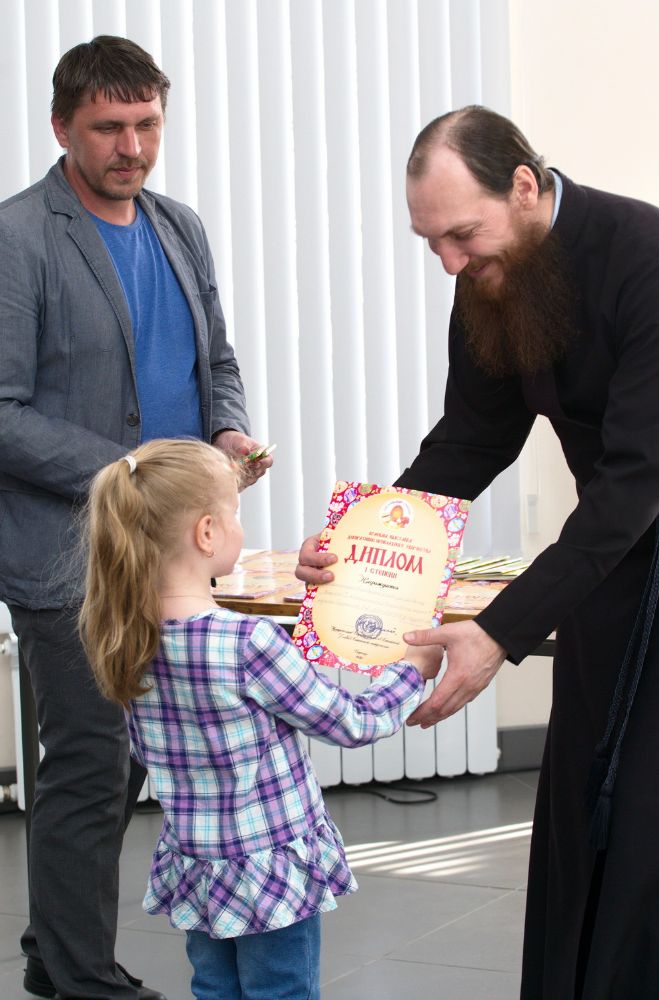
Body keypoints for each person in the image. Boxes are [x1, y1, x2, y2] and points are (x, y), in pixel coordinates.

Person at [297, 105, 659, 999]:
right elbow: (470, 439)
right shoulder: (492, 277)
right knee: (581, 800)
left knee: (645, 817)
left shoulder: (648, 259)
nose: (450, 263)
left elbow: (633, 479)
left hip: (632, 530)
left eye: (461, 235)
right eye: (432, 243)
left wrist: (497, 631)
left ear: (524, 186)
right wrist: (363, 553)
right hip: (608, 559)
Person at [0, 36, 273, 1000]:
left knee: (134, 762)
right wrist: (134, 473)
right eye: (109, 127)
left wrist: (227, 431)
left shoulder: (178, 226)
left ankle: (52, 951)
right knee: (91, 762)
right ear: (61, 127)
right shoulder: (18, 237)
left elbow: (216, 359)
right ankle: (80, 977)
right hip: (68, 556)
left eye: (147, 124)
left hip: (170, 558)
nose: (132, 147)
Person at [78, 438, 441, 1000]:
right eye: (235, 512)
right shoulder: (249, 641)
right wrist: (412, 672)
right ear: (206, 533)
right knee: (281, 989)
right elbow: (351, 722)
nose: (239, 526)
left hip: (197, 860)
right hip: (270, 864)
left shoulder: (123, 635)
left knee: (214, 987)